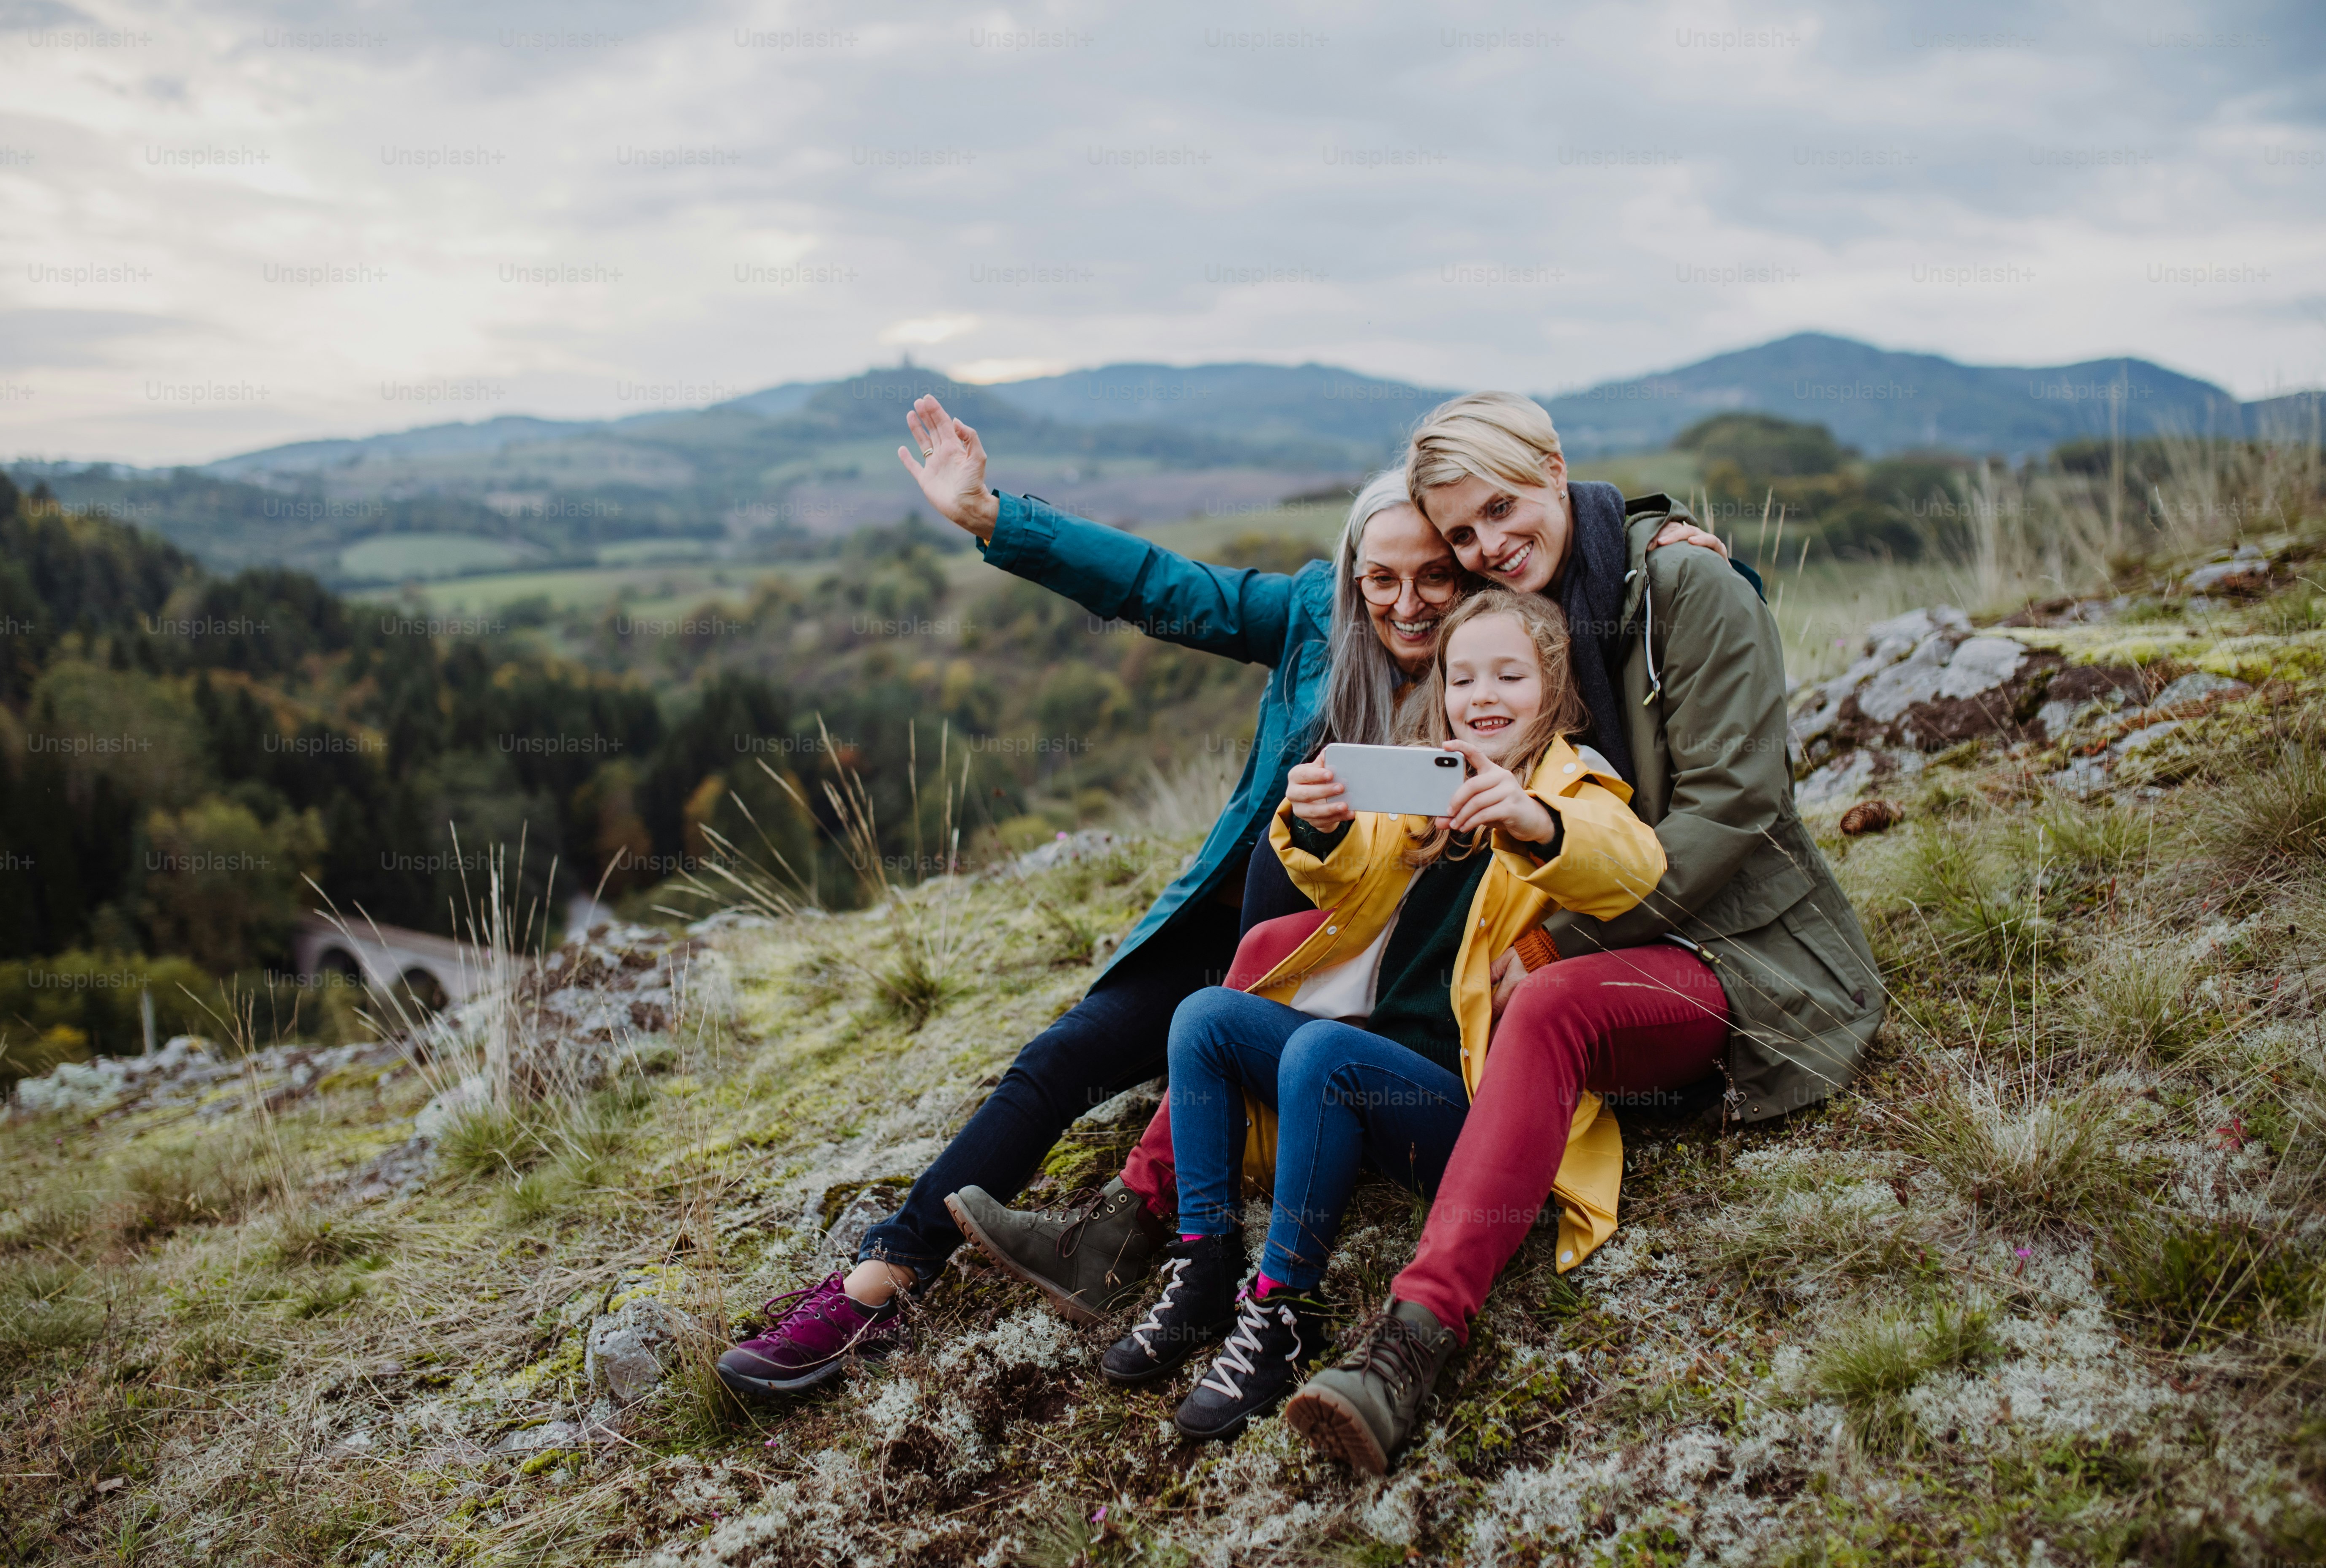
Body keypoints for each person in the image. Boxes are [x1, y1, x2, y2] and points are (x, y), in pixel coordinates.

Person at [714, 395, 1714, 1395]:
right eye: (1382, 580)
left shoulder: (1499, 671)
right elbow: (1161, 585)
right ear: (1352, 576)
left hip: (1373, 990)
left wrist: (1661, 529)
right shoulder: (1312, 622)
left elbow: (1590, 584)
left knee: (1262, 984)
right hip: (1248, 948)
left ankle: (1154, 1239)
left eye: (1435, 578)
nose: (1408, 603)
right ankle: (878, 1282)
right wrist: (991, 517)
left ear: (1469, 582)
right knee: (1063, 1053)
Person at [1282, 392, 1884, 1475]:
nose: (1488, 546)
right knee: (1287, 944)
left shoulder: (1687, 585)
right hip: (1581, 919)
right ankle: (1157, 1222)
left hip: (1736, 946)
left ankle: (1412, 1342)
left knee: (1550, 999)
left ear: (1556, 468)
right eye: (1464, 534)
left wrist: (1564, 937)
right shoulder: (1521, 599)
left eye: (1504, 509)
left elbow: (1735, 809)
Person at [1104, 591, 1666, 1442]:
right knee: (1206, 1017)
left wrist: (1534, 819)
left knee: (1327, 1049)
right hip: (1373, 1079)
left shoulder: (1573, 784)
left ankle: (1286, 1306)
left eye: (1509, 675)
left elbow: (1630, 867)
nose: (1483, 696)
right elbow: (1342, 874)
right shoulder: (1422, 788)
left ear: (1552, 690)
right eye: (1463, 676)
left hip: (1466, 1110)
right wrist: (1314, 820)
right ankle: (1205, 1259)